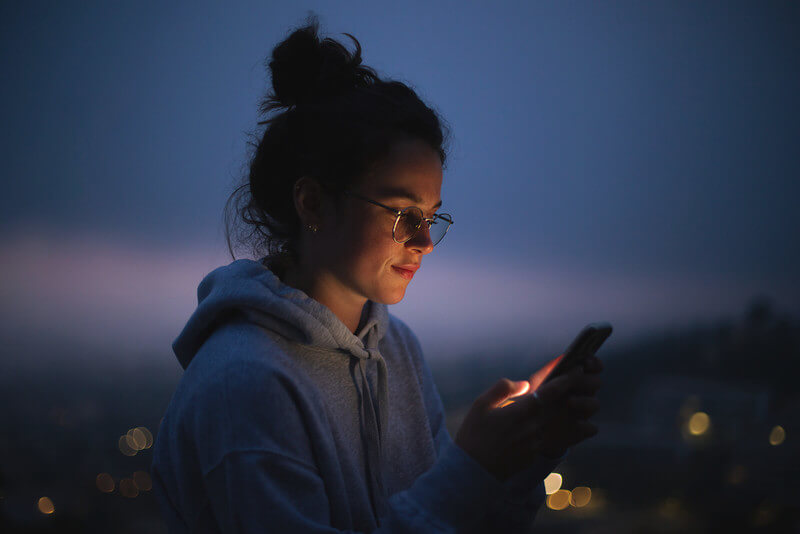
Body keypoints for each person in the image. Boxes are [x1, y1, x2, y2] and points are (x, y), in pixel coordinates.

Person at [151, 14, 603, 534]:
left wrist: (525, 458)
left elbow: (447, 522)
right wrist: (472, 466)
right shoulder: (245, 384)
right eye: (403, 215)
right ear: (313, 202)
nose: (425, 243)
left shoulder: (396, 348)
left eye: (432, 219)